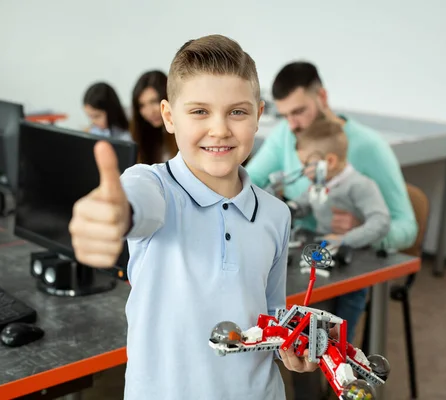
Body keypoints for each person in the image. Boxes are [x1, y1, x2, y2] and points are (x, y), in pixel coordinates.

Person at [69, 34, 318, 400]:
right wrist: (114, 214)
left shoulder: (276, 214)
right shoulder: (152, 185)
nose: (219, 129)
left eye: (237, 111)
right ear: (169, 117)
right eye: (200, 111)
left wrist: (293, 347)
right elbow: (133, 204)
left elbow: (272, 313)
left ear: (259, 116)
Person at [246, 61, 417, 399]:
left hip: (346, 266)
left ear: (322, 97)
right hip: (306, 256)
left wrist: (357, 231)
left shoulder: (368, 148)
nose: (292, 126)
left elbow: (405, 228)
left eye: (299, 112)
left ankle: (329, 384)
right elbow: (250, 183)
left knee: (319, 340)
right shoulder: (286, 135)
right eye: (285, 116)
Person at [288, 117, 391, 254]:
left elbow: (381, 222)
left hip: (354, 252)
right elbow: (306, 201)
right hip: (324, 247)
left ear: (330, 161)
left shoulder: (359, 185)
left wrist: (344, 240)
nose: (304, 170)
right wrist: (291, 208)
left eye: (307, 164)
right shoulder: (320, 183)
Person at [130, 70, 179, 164]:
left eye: (154, 101)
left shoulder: (182, 132)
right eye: (142, 105)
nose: (149, 112)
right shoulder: (143, 134)